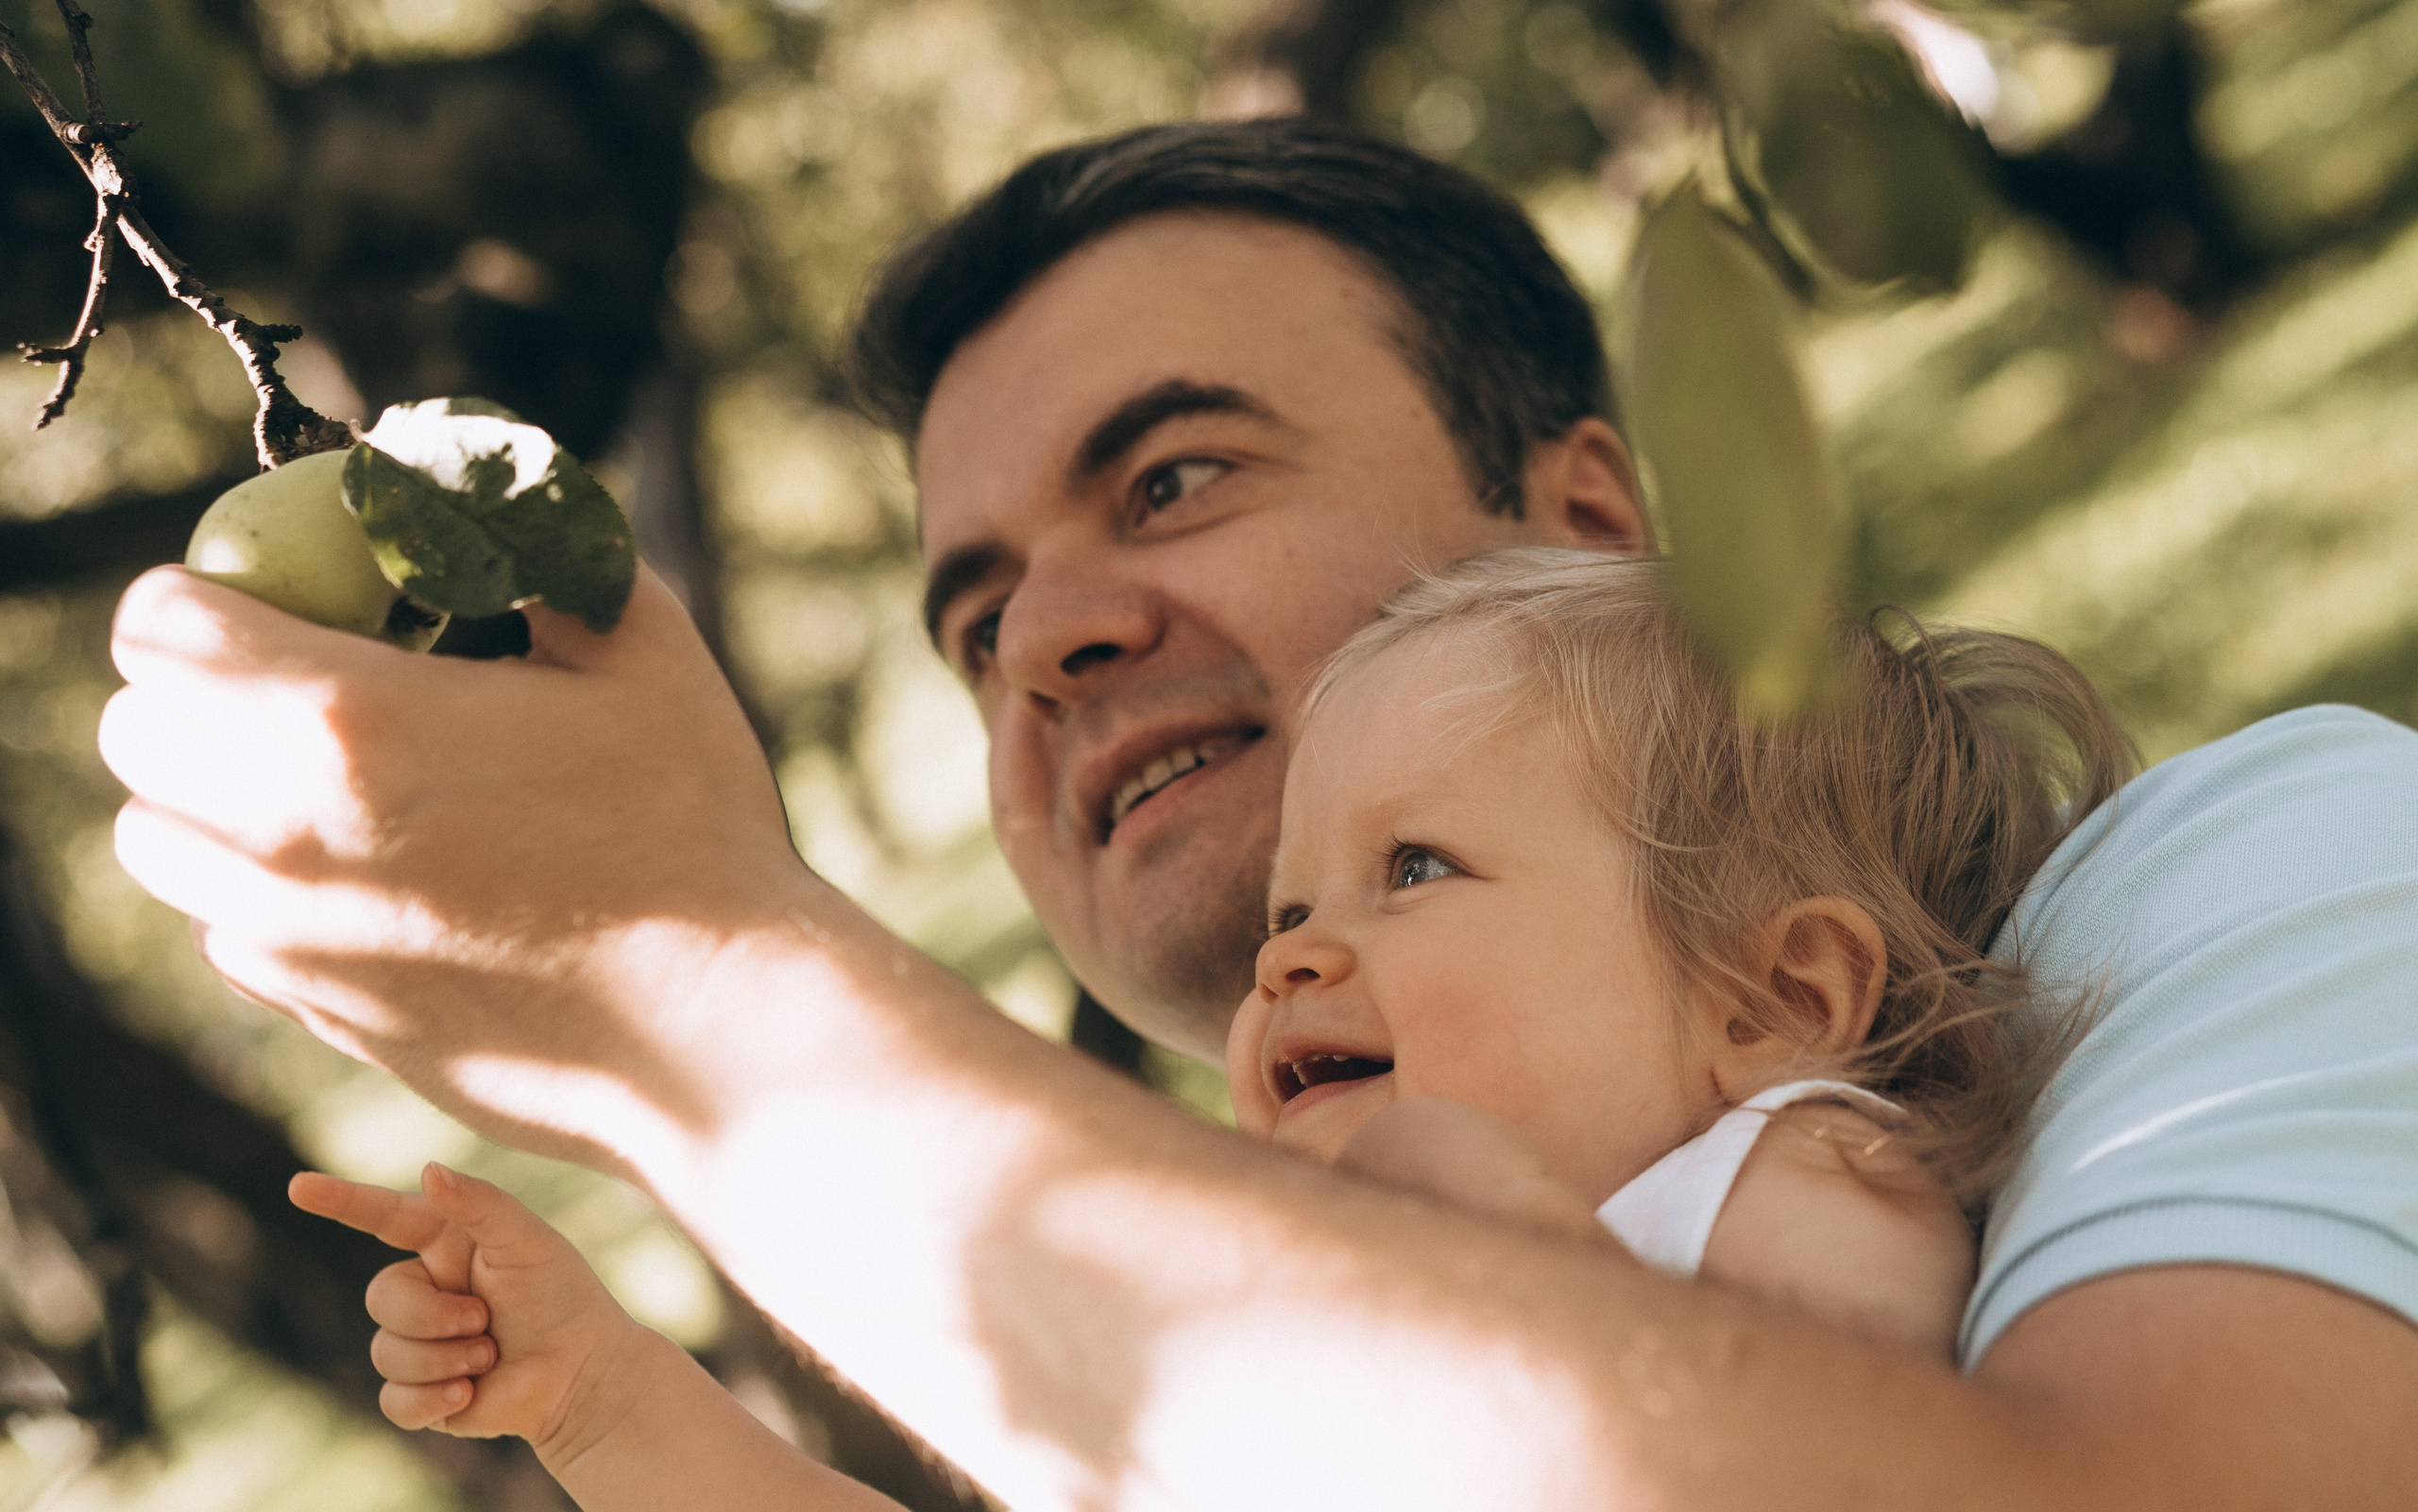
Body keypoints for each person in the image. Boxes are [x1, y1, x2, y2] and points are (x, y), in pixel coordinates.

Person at [98, 117, 2418, 1510]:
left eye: (1173, 478)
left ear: (1595, 528)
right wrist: (619, 1408)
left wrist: (692, 998)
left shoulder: (2244, 888)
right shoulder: (1165, 1293)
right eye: (972, 617)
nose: (1043, 638)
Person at [287, 551, 2123, 1506]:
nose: (1293, 961)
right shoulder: (1262, 1339)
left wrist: (1446, 1209)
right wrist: (608, 1406)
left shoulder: (1798, 1176)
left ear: (1775, 1000)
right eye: (1289, 914)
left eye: (1414, 869)